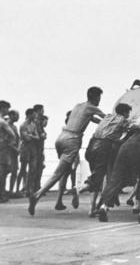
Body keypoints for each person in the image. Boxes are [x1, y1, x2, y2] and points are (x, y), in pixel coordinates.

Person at [28, 87, 105, 215]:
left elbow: (92, 119)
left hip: (62, 137)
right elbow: (107, 118)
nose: (99, 101)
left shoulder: (78, 106)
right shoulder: (92, 107)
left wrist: (99, 122)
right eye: (99, 98)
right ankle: (37, 195)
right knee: (58, 173)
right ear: (96, 97)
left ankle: (58, 201)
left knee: (66, 170)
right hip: (73, 139)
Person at [95, 123, 140, 222]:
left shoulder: (139, 134)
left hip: (123, 149)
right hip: (138, 150)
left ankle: (104, 206)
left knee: (116, 180)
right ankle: (137, 204)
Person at [78, 103, 135, 216]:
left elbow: (98, 122)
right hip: (103, 147)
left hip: (91, 145)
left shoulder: (107, 117)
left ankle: (92, 208)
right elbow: (132, 128)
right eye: (128, 112)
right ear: (125, 113)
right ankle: (82, 188)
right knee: (103, 177)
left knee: (97, 176)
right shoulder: (123, 120)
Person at [18, 108, 40, 195]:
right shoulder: (23, 125)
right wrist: (32, 136)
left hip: (32, 149)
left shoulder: (33, 125)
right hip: (25, 149)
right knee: (23, 169)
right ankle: (17, 189)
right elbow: (26, 138)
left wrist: (31, 135)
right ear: (29, 115)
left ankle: (29, 189)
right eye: (33, 114)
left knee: (33, 169)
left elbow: (37, 137)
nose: (35, 116)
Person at [0, 101, 17, 203]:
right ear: (3, 108)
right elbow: (12, 135)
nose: (8, 110)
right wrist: (7, 143)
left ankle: (2, 194)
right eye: (7, 108)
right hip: (3, 150)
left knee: (2, 172)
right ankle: (2, 195)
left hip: (3, 149)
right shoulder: (2, 122)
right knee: (2, 173)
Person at [32, 104, 47, 193]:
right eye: (42, 110)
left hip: (40, 147)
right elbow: (38, 134)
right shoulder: (36, 121)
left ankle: (37, 186)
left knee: (39, 167)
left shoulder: (39, 122)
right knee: (36, 167)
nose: (43, 111)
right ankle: (35, 187)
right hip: (36, 147)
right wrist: (42, 135)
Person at [7, 110, 21, 196]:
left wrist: (18, 148)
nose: (18, 117)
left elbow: (18, 138)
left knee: (14, 172)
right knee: (5, 171)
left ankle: (11, 191)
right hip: (7, 152)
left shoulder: (14, 127)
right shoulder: (6, 125)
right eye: (16, 115)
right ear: (11, 115)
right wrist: (14, 148)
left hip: (14, 152)